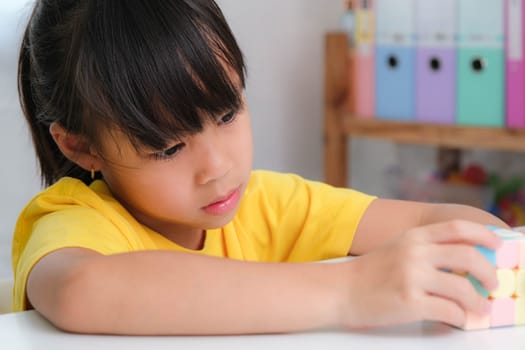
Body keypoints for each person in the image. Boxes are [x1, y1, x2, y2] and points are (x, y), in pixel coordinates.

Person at [13, 0, 507, 335]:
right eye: (167, 148)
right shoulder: (74, 222)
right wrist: (350, 292)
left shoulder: (269, 205)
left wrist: (496, 257)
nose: (217, 166)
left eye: (227, 114)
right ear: (81, 148)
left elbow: (430, 222)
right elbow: (82, 289)